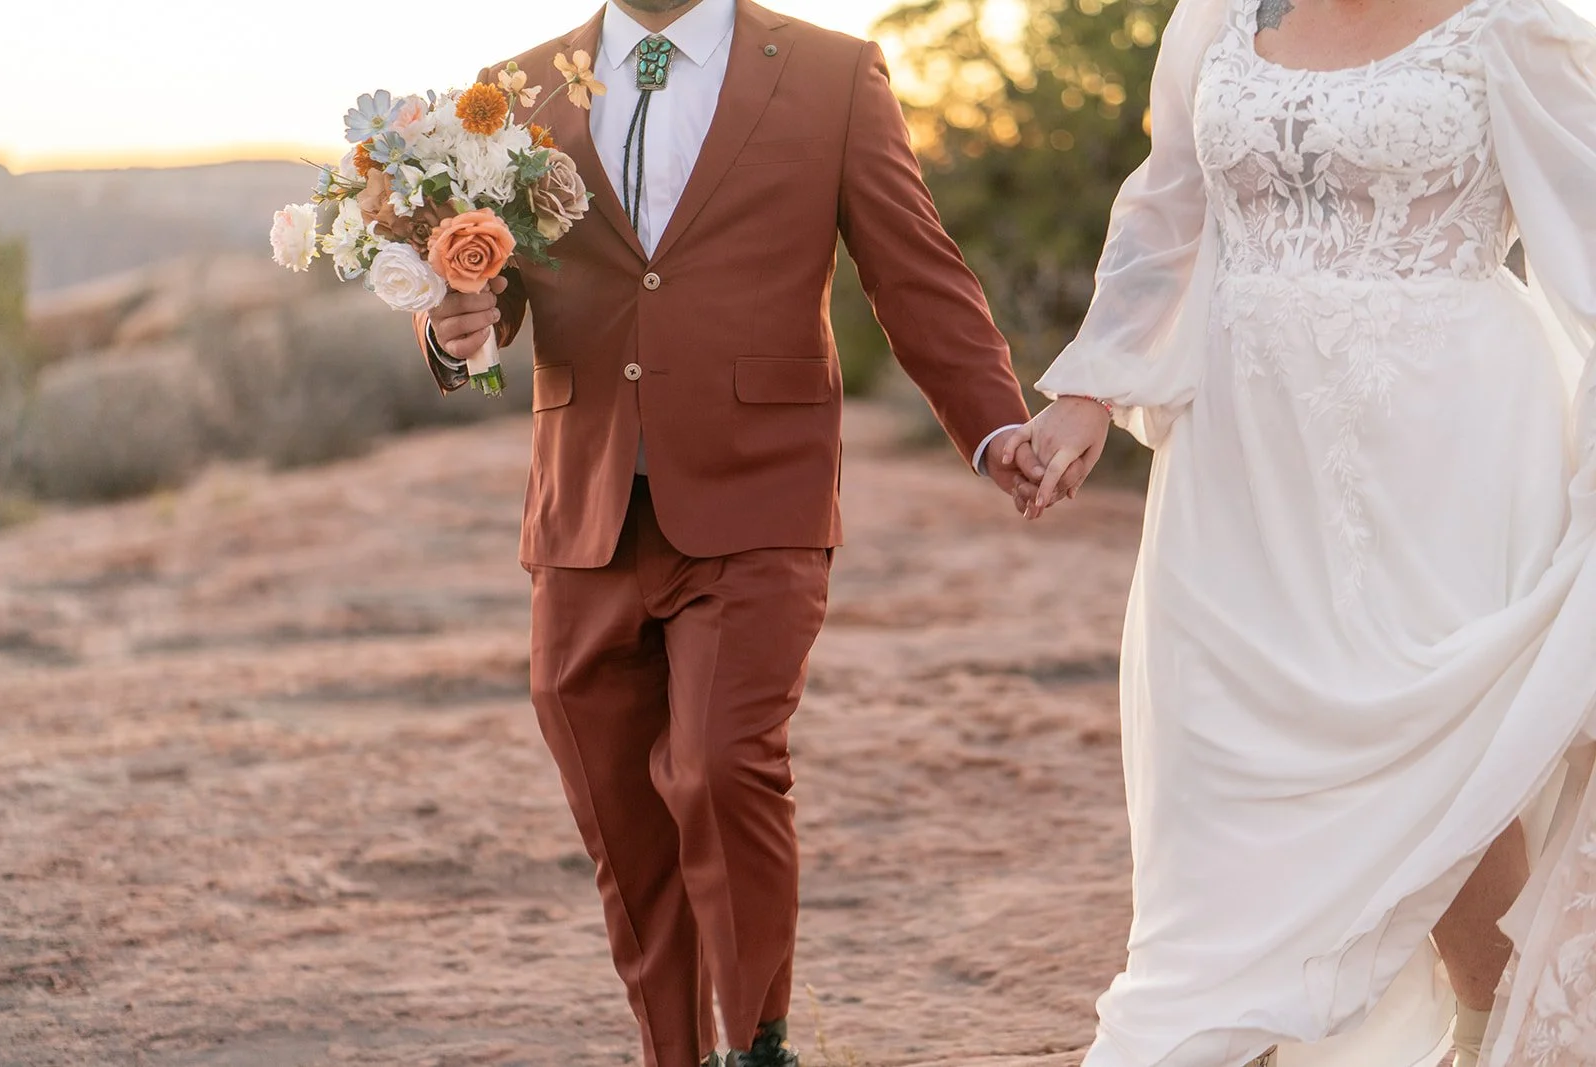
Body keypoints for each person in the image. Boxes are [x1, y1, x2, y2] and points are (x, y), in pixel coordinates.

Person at [415, 1, 1040, 1063]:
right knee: (622, 816)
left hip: (759, 495)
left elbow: (911, 268)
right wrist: (451, 325)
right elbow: (493, 297)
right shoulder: (513, 89)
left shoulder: (833, 76)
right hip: (586, 507)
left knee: (718, 763)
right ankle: (672, 1050)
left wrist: (996, 429)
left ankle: (759, 1042)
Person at [1001, 0, 1596, 1062]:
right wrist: (1088, 390)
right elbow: (1164, 213)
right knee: (1217, 768)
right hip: (1239, 457)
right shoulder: (1218, 19)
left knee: (1442, 771)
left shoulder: (1513, 22)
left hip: (1445, 447)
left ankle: (1484, 1034)